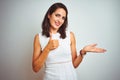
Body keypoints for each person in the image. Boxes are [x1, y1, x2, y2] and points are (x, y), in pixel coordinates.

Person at [32, 2, 106, 80]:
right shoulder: (39, 37)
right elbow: (35, 69)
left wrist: (82, 52)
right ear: (49, 15)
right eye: (57, 15)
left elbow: (74, 64)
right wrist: (47, 48)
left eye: (63, 18)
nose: (60, 20)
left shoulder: (70, 35)